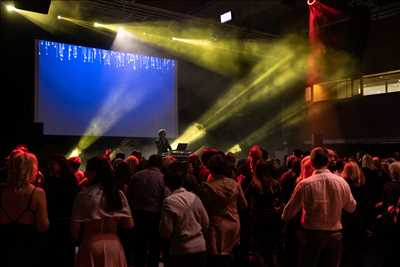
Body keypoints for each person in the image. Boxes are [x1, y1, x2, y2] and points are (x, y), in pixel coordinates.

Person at [282, 147, 357, 267]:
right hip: (335, 235)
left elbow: (287, 214)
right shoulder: (341, 182)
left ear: (311, 163)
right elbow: (352, 208)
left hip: (312, 235)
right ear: (327, 162)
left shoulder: (304, 184)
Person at [71, 156, 134, 267]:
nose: (85, 173)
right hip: (114, 246)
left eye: (87, 170)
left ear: (94, 173)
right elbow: (129, 224)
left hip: (90, 245)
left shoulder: (84, 195)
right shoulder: (117, 194)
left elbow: (74, 231)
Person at [0, 150, 49, 267]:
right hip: (28, 248)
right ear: (32, 170)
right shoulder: (37, 193)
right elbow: (43, 226)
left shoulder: (1, 190)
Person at [200, 154, 247, 267]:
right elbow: (244, 205)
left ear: (210, 168)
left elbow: (203, 211)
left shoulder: (207, 188)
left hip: (216, 228)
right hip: (234, 225)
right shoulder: (234, 184)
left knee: (216, 260)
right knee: (231, 258)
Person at [160, 162, 209, 267]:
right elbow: (206, 222)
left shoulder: (169, 201)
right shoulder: (194, 197)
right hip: (200, 247)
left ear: (167, 184)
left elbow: (166, 231)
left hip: (180, 250)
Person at [128, 154, 168, 267]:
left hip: (137, 215)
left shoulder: (136, 176)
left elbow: (129, 196)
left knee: (139, 247)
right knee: (154, 248)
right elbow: (165, 199)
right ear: (160, 164)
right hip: (155, 216)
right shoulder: (162, 178)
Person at [44, 154, 80, 267]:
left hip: (66, 221)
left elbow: (75, 200)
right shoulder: (48, 179)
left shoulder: (70, 179)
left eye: (52, 164)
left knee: (66, 253)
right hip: (52, 221)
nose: (49, 166)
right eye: (49, 164)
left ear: (60, 165)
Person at [248, 160, 282, 267]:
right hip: (273, 218)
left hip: (258, 218)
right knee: (272, 247)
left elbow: (245, 200)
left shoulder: (254, 184)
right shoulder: (275, 183)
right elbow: (281, 200)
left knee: (260, 246)